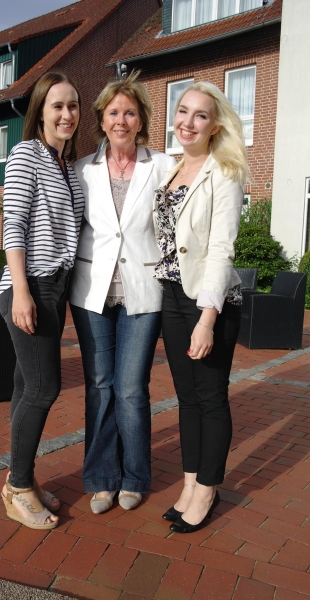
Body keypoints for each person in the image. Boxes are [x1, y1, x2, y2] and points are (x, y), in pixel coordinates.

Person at [69, 72, 176, 514]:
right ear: (101, 119)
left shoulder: (163, 166)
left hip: (142, 291)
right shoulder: (82, 170)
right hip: (91, 292)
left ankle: (134, 476)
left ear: (141, 119)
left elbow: (174, 229)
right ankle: (101, 478)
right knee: (99, 385)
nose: (121, 120)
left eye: (129, 112)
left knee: (131, 388)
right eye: (113, 112)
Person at [156, 81, 249, 534]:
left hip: (209, 302)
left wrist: (207, 319)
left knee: (211, 398)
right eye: (183, 111)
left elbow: (221, 250)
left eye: (200, 115)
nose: (188, 122)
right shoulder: (170, 170)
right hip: (171, 297)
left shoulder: (225, 172)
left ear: (215, 126)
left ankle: (208, 489)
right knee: (187, 396)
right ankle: (190, 482)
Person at [0, 72, 84, 530]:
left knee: (24, 386)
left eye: (73, 105)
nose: (67, 114)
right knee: (44, 389)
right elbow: (12, 224)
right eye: (58, 106)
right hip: (29, 286)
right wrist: (22, 292)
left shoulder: (67, 166)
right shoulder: (26, 154)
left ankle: (22, 480)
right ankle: (17, 487)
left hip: (56, 289)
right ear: (40, 111)